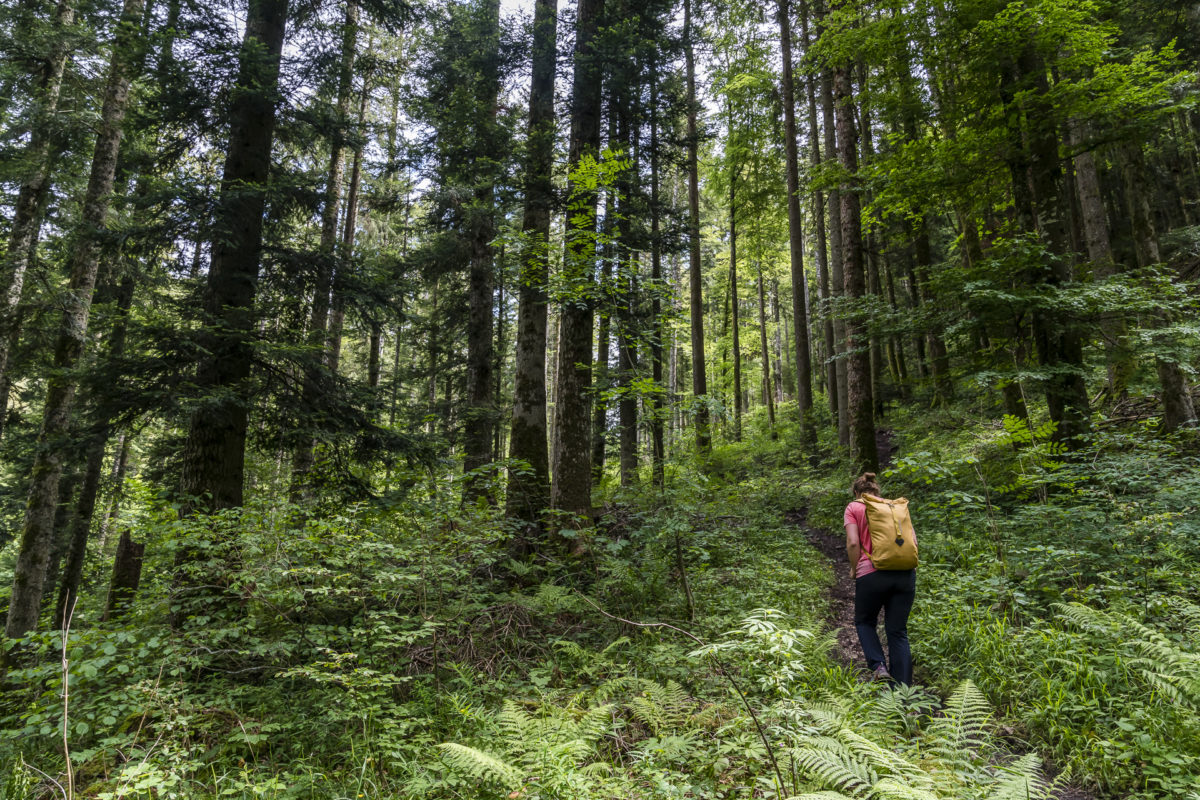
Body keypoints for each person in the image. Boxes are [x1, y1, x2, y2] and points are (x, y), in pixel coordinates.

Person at [843, 471, 916, 684]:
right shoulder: (895, 508)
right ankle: (903, 693)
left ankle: (878, 666)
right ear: (877, 491)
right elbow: (912, 541)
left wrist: (854, 568)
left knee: (865, 622)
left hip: (872, 573)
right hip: (905, 573)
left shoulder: (854, 507)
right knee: (898, 631)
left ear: (857, 492)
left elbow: (853, 542)